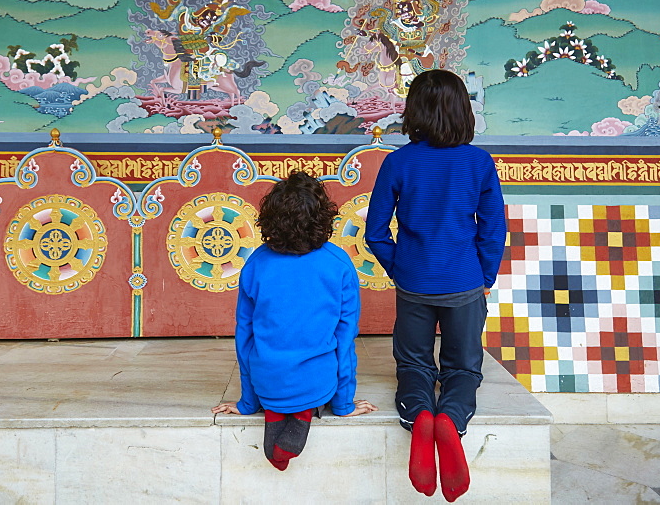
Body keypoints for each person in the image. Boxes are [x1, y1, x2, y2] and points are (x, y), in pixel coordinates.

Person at [365, 69, 507, 501]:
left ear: (414, 112)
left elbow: (375, 232)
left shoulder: (398, 161)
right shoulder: (478, 162)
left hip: (414, 283)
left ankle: (419, 411)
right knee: (463, 366)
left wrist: (401, 268)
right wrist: (484, 277)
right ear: (463, 110)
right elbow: (493, 228)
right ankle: (452, 417)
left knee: (413, 364)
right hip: (464, 282)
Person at [211, 171, 377, 470]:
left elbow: (244, 336)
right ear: (324, 218)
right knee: (316, 374)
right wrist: (343, 404)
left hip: (266, 380)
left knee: (273, 379)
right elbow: (344, 339)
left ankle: (275, 411)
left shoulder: (256, 263)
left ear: (270, 219)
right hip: (318, 380)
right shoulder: (338, 263)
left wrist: (248, 403)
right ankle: (302, 413)